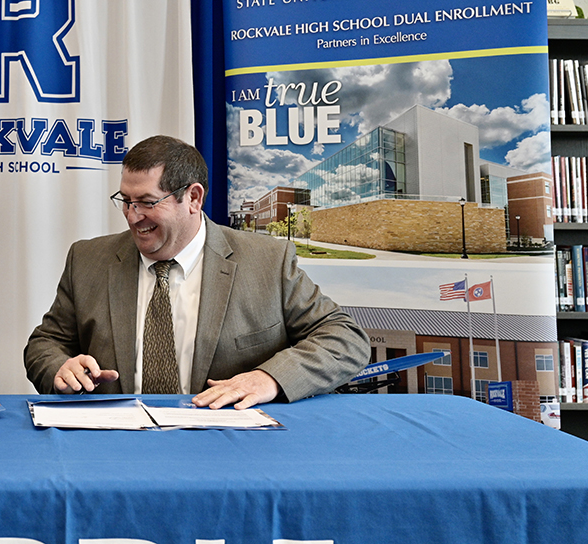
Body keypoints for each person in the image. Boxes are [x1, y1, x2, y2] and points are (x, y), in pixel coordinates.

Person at [23, 135, 369, 409]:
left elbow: (344, 339)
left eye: (146, 202)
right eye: (125, 200)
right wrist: (58, 369)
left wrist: (269, 378)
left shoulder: (267, 261)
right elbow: (45, 344)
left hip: (228, 450)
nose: (131, 215)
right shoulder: (88, 259)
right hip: (115, 449)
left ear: (193, 198)